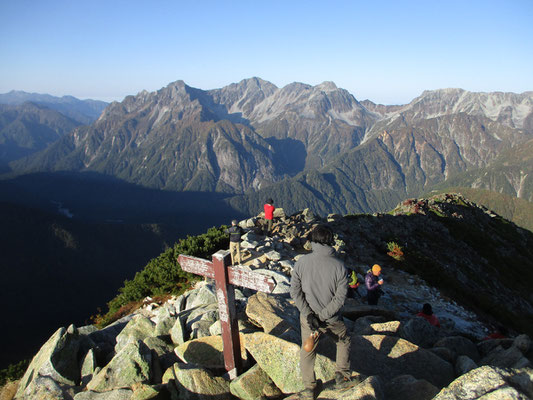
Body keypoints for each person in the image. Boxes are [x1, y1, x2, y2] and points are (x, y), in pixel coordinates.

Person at [290, 225, 357, 399]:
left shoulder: (301, 263)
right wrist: (322, 317)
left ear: (312, 240)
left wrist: (310, 315)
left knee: (307, 350)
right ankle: (342, 376)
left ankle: (309, 388)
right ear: (331, 242)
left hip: (308, 319)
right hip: (331, 319)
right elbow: (340, 299)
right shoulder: (340, 266)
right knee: (343, 340)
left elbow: (295, 292)